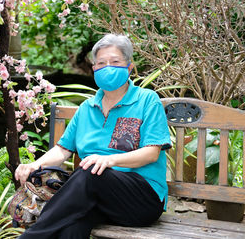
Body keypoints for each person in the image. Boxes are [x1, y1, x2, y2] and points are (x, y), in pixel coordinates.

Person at [15, 33, 171, 239]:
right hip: (98, 198)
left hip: (142, 199)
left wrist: (108, 160)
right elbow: (63, 149)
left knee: (90, 172)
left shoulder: (147, 100)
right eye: (101, 63)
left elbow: (151, 153)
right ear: (94, 69)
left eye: (115, 62)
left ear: (129, 67)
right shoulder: (86, 108)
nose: (108, 67)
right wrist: (36, 164)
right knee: (73, 224)